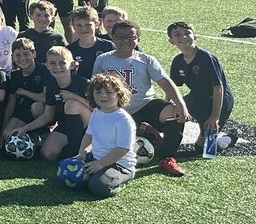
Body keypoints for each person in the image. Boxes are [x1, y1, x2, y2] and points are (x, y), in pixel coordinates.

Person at [92, 21, 191, 177]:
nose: (125, 40)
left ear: (138, 39)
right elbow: (95, 87)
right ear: (112, 37)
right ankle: (143, 131)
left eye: (130, 37)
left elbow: (165, 82)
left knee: (174, 113)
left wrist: (180, 104)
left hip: (144, 104)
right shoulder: (103, 60)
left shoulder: (146, 59)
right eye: (120, 36)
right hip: (116, 110)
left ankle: (167, 157)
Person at [167, 21, 235, 155]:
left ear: (195, 36)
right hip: (197, 97)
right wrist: (167, 104)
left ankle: (228, 139)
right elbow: (172, 86)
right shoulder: (178, 61)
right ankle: (168, 142)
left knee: (204, 150)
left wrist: (215, 117)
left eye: (187, 33)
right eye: (177, 34)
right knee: (171, 112)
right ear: (171, 41)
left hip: (217, 101)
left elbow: (218, 88)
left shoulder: (206, 58)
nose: (183, 37)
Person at [76, 73, 138, 198]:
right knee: (70, 168)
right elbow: (88, 136)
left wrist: (100, 164)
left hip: (120, 165)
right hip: (97, 158)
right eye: (98, 92)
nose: (103, 95)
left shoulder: (123, 119)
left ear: (118, 95)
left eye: (109, 92)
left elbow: (122, 148)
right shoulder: (96, 113)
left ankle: (121, 182)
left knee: (98, 186)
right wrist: (82, 154)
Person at [36, 46, 91, 162]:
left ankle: (75, 152)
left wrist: (74, 97)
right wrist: (24, 128)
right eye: (52, 63)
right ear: (46, 65)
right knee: (48, 154)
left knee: (71, 105)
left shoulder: (84, 83)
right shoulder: (51, 84)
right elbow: (47, 116)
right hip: (66, 125)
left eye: (62, 63)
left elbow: (98, 109)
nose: (57, 67)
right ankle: (71, 150)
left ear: (72, 65)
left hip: (90, 126)